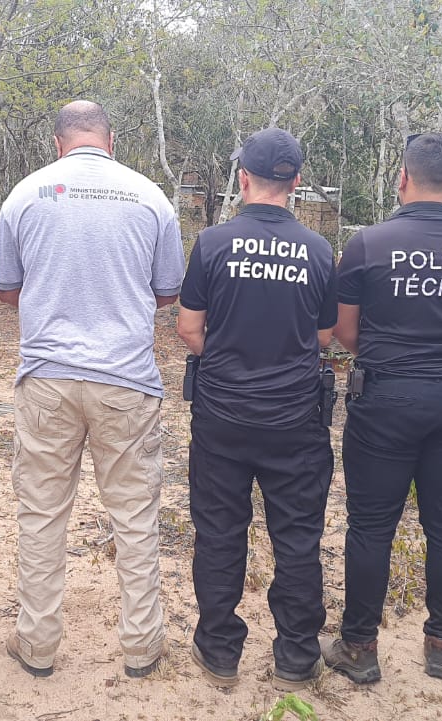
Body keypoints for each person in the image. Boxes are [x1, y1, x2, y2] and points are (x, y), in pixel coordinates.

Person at [0, 100, 185, 679]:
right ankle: (142, 646)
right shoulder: (150, 198)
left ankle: (37, 645)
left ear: (58, 143)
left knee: (41, 514)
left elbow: (6, 291)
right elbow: (167, 292)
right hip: (126, 380)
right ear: (111, 139)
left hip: (46, 380)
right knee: (135, 516)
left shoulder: (25, 195)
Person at [323, 132, 442, 682]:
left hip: (387, 398)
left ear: (401, 178)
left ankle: (359, 649)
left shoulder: (368, 245)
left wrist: (392, 354)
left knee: (371, 525)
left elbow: (344, 331)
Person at [175, 128, 338, 691]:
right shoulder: (319, 250)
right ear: (295, 182)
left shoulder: (213, 243)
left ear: (243, 178)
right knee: (297, 537)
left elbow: (188, 329)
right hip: (295, 419)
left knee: (220, 532)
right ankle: (296, 657)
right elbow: (324, 336)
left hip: (222, 416)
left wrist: (229, 360)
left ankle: (219, 652)